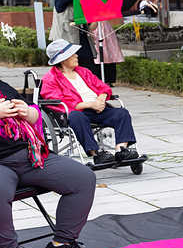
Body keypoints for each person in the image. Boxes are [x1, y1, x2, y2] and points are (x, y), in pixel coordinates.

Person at [0, 78, 98, 248]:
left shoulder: (2, 86)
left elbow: (34, 113)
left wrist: (28, 112)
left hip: (30, 155)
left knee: (82, 178)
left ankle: (61, 244)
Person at [40, 39, 142, 167]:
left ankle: (121, 150)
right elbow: (59, 102)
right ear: (63, 59)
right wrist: (90, 104)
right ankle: (97, 154)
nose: (77, 55)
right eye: (72, 54)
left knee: (122, 113)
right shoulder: (50, 79)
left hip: (98, 108)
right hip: (77, 112)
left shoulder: (83, 71)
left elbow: (103, 87)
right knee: (77, 117)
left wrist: (101, 99)